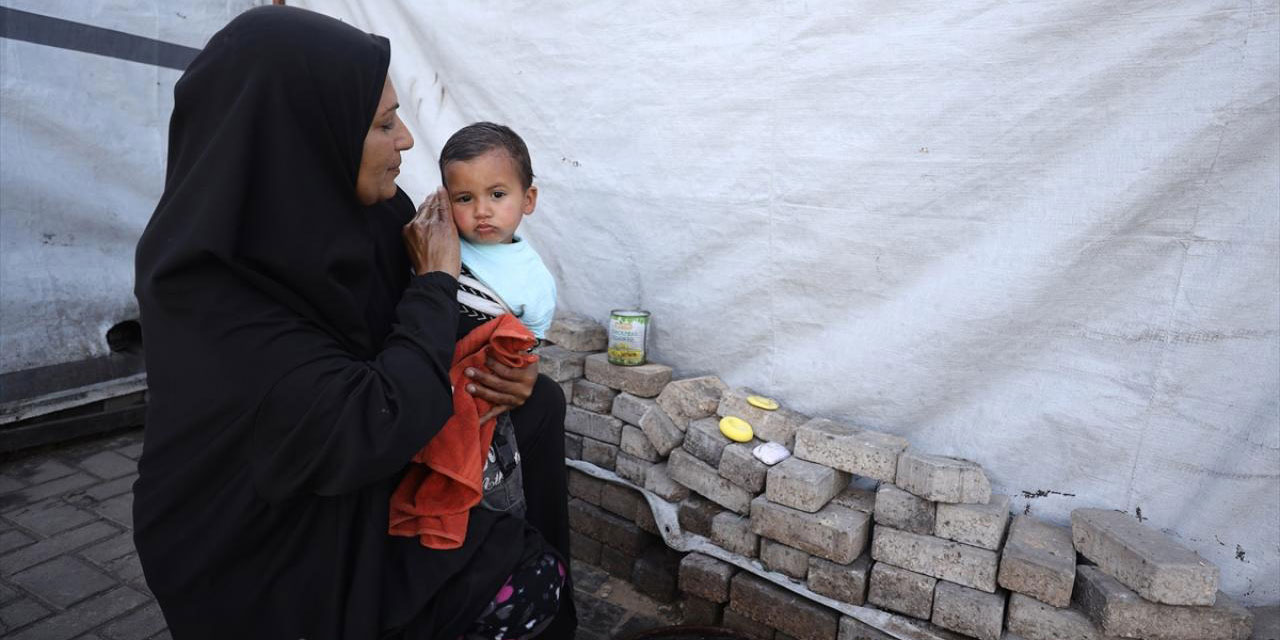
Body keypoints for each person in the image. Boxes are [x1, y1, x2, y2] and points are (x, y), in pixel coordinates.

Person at [132, 6, 575, 639]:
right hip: (273, 538)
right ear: (307, 134)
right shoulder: (212, 292)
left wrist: (510, 370)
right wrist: (434, 283)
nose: (407, 140)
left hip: (363, 458)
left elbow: (439, 335)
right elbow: (373, 420)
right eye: (384, 123)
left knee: (540, 406)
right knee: (525, 584)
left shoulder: (366, 213)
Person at [442, 122, 557, 342]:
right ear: (446, 201)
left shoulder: (534, 279)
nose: (481, 211)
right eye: (465, 198)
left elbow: (530, 343)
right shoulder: (438, 245)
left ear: (528, 200)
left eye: (497, 195)